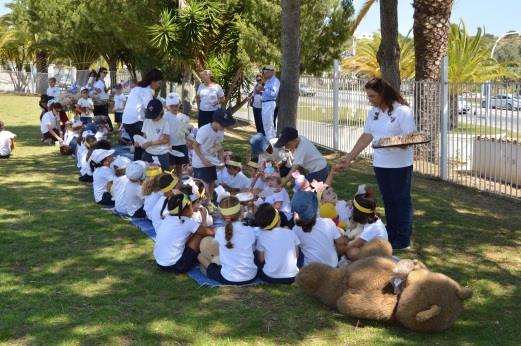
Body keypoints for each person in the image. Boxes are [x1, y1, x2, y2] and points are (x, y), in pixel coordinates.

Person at [335, 78, 416, 250]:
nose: (369, 99)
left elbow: (411, 139)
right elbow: (367, 136)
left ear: (383, 94)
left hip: (400, 165)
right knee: (388, 199)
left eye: (372, 96)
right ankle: (391, 233)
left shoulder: (403, 111)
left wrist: (388, 142)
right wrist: (349, 158)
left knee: (401, 200)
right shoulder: (373, 113)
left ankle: (403, 238)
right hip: (381, 164)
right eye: (368, 96)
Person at [198, 196, 258, 285]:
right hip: (251, 276)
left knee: (200, 256)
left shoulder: (220, 232)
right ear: (240, 212)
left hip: (228, 277)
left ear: (221, 215)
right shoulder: (249, 230)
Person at [154, 193, 215, 273]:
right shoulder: (186, 222)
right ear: (186, 209)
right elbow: (209, 232)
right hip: (176, 265)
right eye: (190, 206)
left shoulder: (168, 217)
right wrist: (204, 217)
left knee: (193, 234)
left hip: (160, 263)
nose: (192, 208)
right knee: (199, 235)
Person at [290, 191, 347, 268]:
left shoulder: (295, 230)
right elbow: (341, 243)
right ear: (316, 207)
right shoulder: (328, 222)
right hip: (332, 267)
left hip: (312, 269)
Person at [192, 108, 236, 206]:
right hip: (200, 162)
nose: (225, 127)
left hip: (212, 160)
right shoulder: (204, 130)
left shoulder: (221, 131)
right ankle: (199, 204)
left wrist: (221, 159)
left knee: (211, 182)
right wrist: (203, 160)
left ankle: (209, 202)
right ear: (216, 122)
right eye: (223, 125)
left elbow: (219, 145)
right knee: (202, 185)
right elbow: (195, 145)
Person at [122, 68, 163, 160]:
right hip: (135, 122)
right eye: (159, 83)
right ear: (153, 81)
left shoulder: (136, 88)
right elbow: (150, 111)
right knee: (145, 147)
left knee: (138, 147)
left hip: (126, 121)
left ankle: (137, 167)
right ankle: (144, 167)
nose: (159, 86)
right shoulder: (147, 91)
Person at [255, 203, 300, 284]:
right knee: (300, 251)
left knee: (256, 256)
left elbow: (261, 259)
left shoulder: (261, 236)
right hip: (292, 277)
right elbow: (297, 255)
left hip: (270, 277)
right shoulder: (290, 233)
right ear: (279, 219)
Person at [344, 189, 388, 261]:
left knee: (351, 253)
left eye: (353, 209)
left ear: (358, 213)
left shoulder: (371, 227)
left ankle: (365, 264)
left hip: (378, 256)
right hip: (371, 249)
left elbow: (355, 244)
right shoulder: (371, 218)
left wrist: (338, 251)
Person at [165, 93, 191, 177]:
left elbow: (186, 132)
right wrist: (168, 144)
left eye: (176, 105)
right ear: (168, 106)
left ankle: (178, 184)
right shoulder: (165, 117)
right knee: (170, 167)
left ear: (179, 104)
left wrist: (188, 139)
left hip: (181, 144)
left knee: (179, 166)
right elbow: (165, 131)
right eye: (171, 106)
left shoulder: (183, 117)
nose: (174, 108)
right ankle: (170, 184)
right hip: (170, 145)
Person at [140, 98, 171, 171]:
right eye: (150, 115)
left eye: (154, 115)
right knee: (145, 173)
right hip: (148, 152)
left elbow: (165, 140)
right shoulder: (147, 120)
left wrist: (150, 143)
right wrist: (140, 142)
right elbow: (144, 135)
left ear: (161, 112)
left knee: (163, 175)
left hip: (162, 153)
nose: (152, 118)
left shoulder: (165, 123)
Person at [260, 65, 280, 140]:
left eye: (265, 72)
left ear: (270, 72)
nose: (264, 74)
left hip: (269, 103)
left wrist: (264, 88)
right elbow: (266, 93)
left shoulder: (275, 81)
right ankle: (271, 141)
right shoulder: (267, 81)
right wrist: (261, 92)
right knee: (267, 124)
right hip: (265, 103)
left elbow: (273, 94)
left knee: (268, 124)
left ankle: (270, 142)